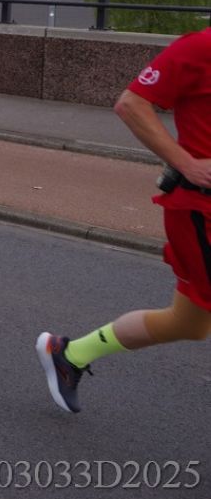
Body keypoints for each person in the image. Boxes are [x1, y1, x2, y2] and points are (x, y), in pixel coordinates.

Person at [37, 31, 211, 413]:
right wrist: (185, 163)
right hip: (201, 211)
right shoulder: (202, 47)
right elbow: (132, 104)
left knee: (189, 322)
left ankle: (70, 354)